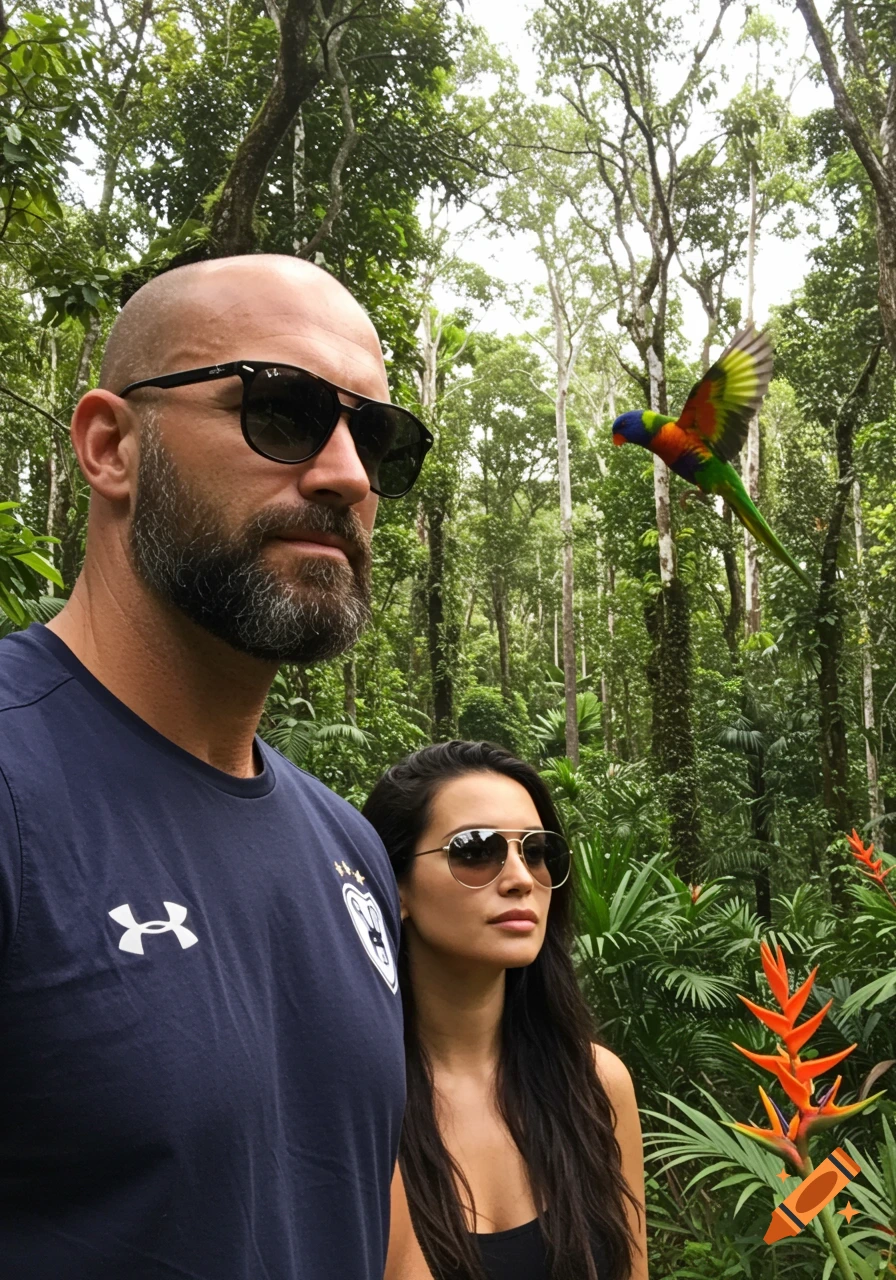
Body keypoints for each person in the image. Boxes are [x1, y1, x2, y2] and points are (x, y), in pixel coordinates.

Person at [0, 254, 434, 1279]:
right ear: (112, 446)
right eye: (281, 411)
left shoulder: (350, 850)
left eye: (375, 437)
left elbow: (369, 1215)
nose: (346, 475)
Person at [362, 741, 649, 1280]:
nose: (520, 877)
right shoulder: (356, 1105)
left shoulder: (595, 1085)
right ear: (394, 885)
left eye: (537, 851)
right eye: (475, 850)